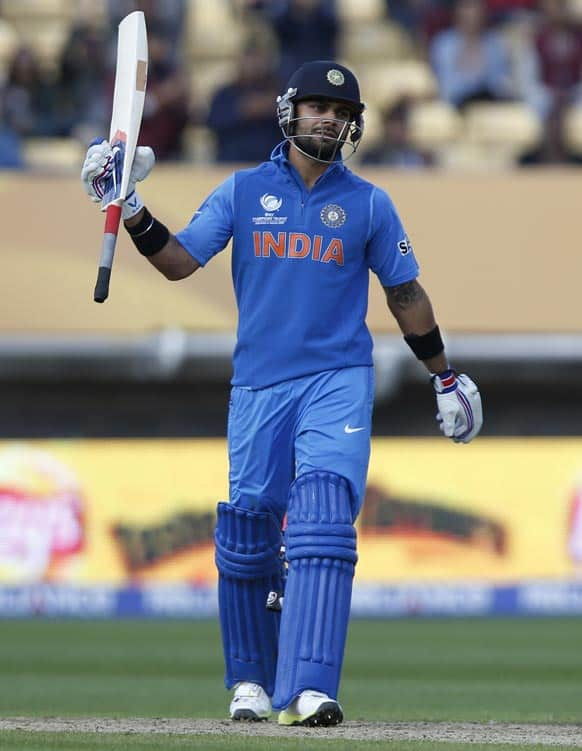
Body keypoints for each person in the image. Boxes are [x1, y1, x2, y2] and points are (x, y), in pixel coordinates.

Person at [80, 60, 483, 727]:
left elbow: (405, 293)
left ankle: (310, 688)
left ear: (353, 125)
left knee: (324, 516)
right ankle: (251, 683)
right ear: (291, 111)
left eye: (341, 111)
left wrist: (443, 373)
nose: (329, 118)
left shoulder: (371, 203)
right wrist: (128, 208)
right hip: (259, 384)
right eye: (318, 106)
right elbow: (179, 262)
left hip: (337, 379)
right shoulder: (241, 191)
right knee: (247, 531)